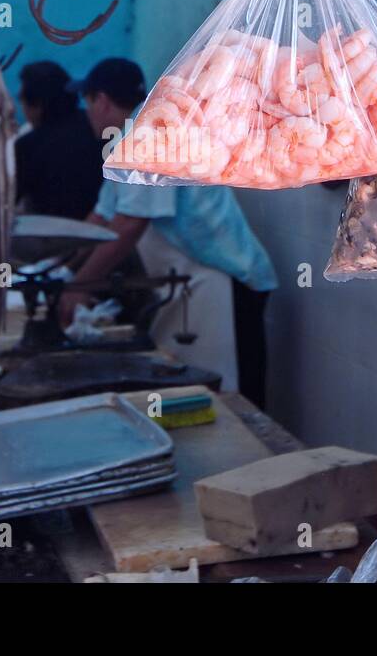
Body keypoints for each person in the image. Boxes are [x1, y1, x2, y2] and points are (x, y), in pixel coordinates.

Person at [61, 59, 279, 408]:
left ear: (100, 100)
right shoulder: (123, 143)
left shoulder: (150, 135)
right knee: (201, 395)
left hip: (225, 281)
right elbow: (101, 219)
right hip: (193, 282)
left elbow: (130, 225)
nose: (87, 113)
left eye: (87, 102)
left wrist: (77, 287)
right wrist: (62, 266)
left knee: (236, 403)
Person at [14, 61, 104, 220]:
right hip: (103, 224)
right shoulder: (98, 126)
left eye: (21, 99)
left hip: (53, 236)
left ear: (36, 105)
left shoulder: (28, 146)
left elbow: (9, 199)